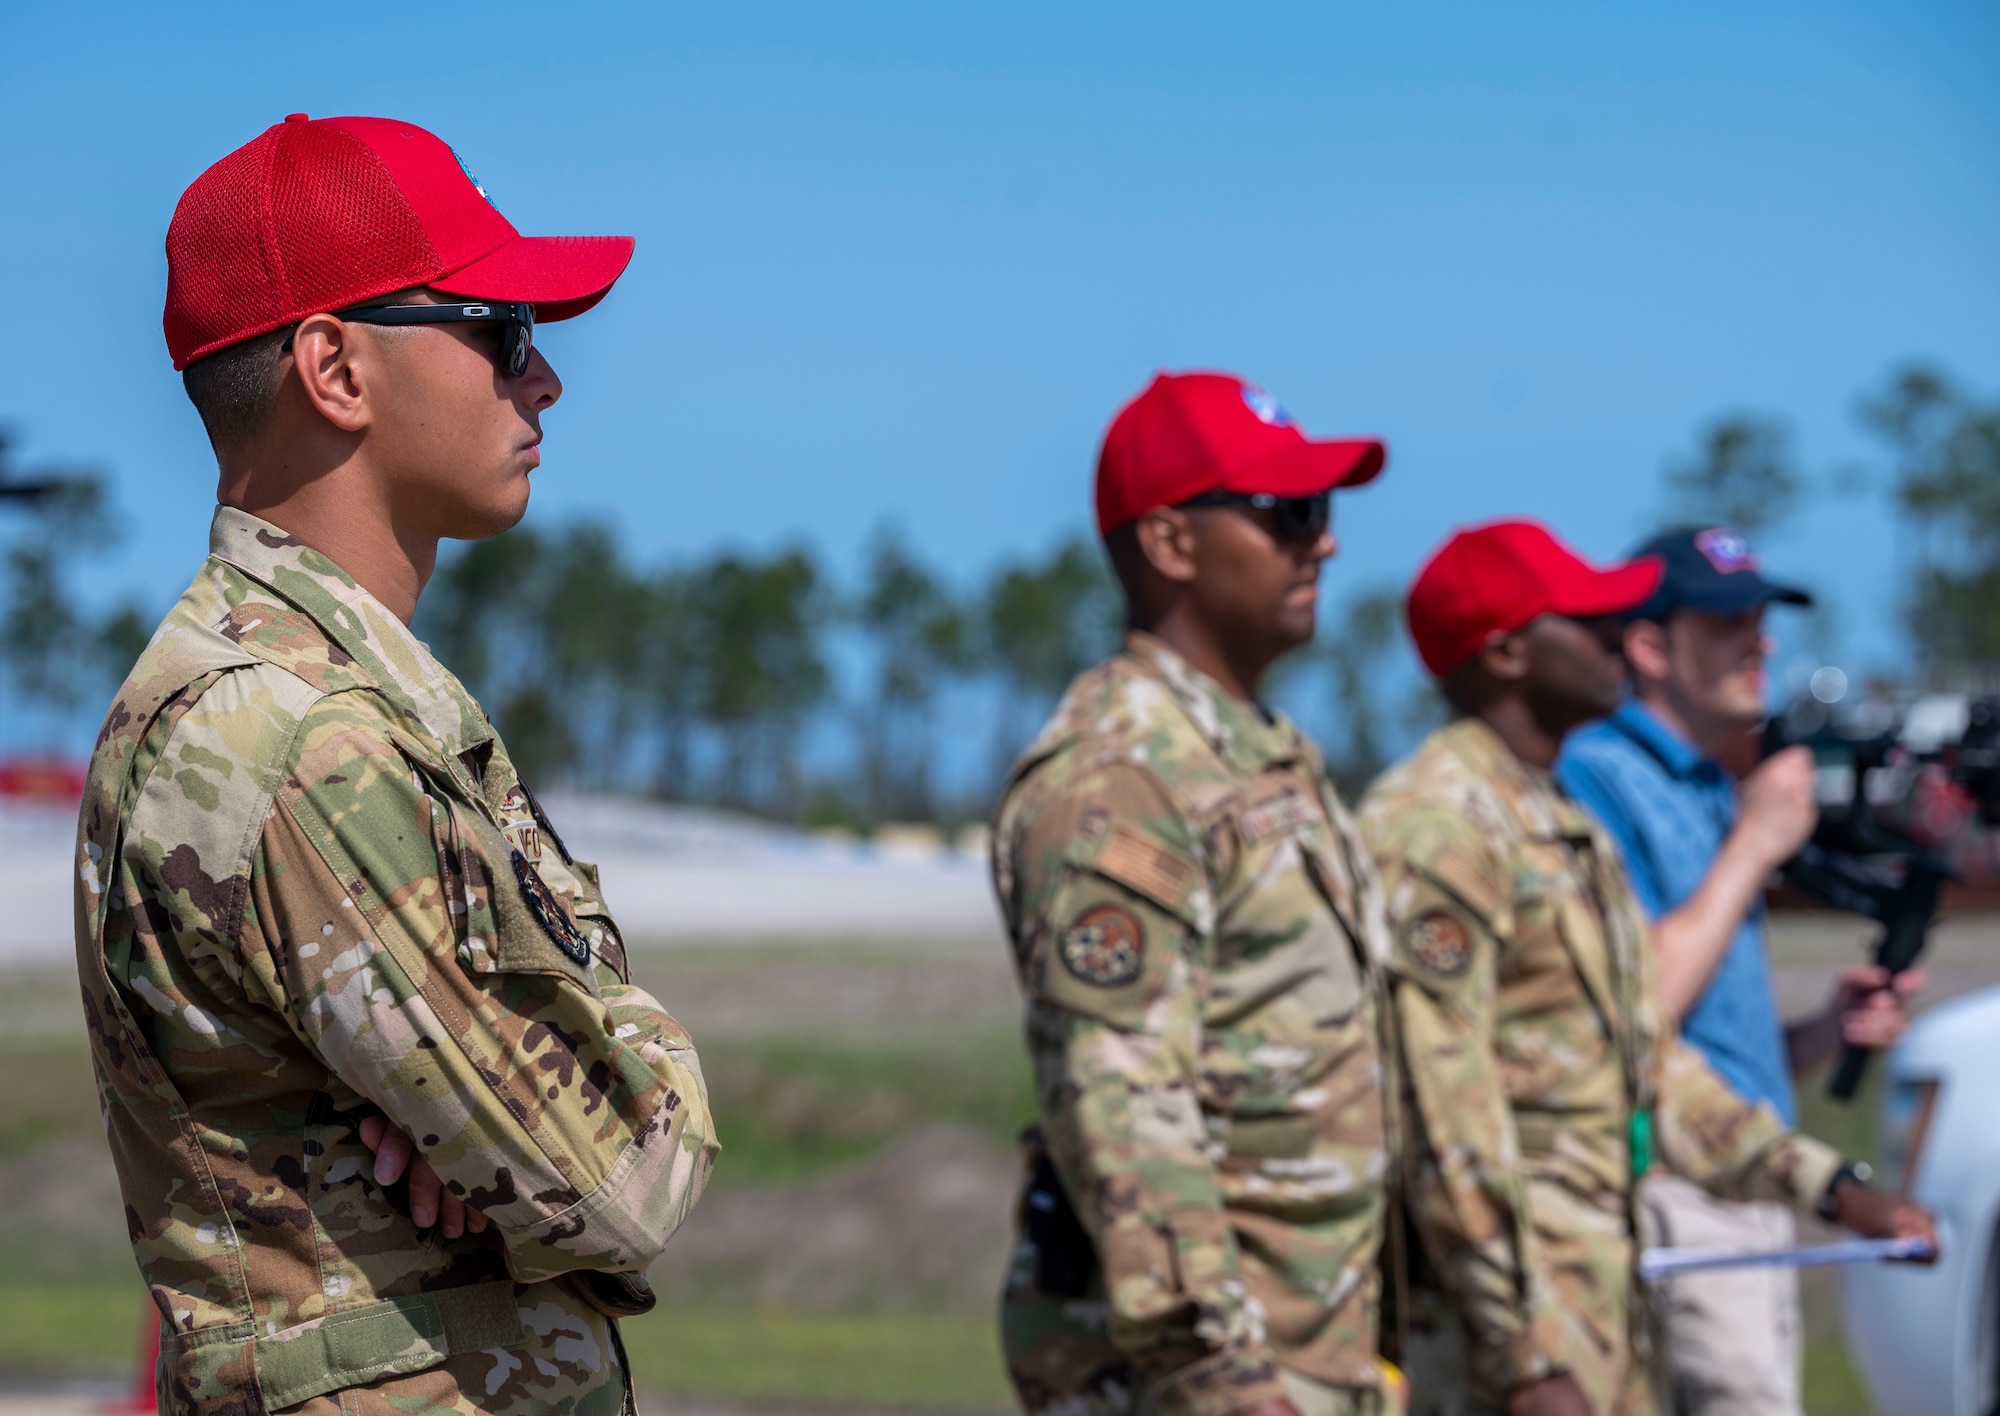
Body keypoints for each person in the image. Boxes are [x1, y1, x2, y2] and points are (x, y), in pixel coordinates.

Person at [74, 113, 717, 1416]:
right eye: (500, 333)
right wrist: (628, 1067)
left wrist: (500, 1143)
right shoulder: (306, 740)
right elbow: (614, 1181)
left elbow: (543, 1161)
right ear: (336, 368)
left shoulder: (326, 699)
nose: (543, 383)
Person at [1355, 520, 1935, 1416]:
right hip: (1495, 1358)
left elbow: (1645, 1064)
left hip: (1596, 1323)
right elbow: (1442, 1118)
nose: (1613, 642)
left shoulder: (1554, 825)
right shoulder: (1438, 829)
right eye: (1587, 624)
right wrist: (1523, 1356)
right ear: (1506, 654)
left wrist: (1831, 1188)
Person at [990, 372, 1399, 1416]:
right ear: (1171, 545)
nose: (1326, 543)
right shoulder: (1120, 776)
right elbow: (1119, 1096)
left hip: (1310, 1344)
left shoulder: (1259, 755)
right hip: (1206, 1375)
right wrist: (1217, 1372)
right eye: (1290, 515)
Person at [1555, 526, 1918, 1416]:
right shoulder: (1596, 777)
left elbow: (1703, 1040)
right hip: (1677, 1190)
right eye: (1727, 623)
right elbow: (1633, 1015)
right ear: (1647, 645)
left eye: (1761, 619)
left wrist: (1821, 1035)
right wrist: (1754, 850)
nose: (1762, 644)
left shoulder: (1709, 787)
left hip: (1745, 1187)